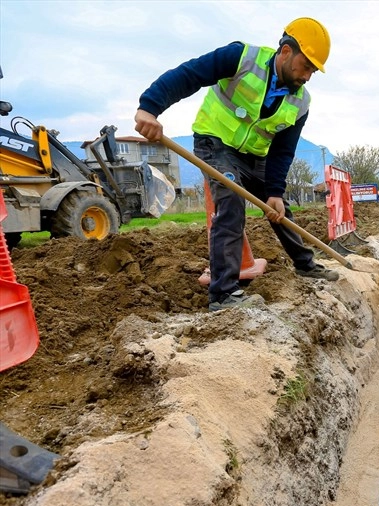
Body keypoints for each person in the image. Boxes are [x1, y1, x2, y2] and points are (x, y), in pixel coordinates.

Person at [134, 17, 339, 312]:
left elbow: (283, 150)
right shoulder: (241, 58)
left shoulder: (301, 102)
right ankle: (223, 294)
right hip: (215, 143)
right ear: (285, 52)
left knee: (279, 207)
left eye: (313, 71)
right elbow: (189, 74)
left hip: (254, 155)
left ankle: (305, 265)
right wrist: (149, 107)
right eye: (305, 66)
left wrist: (275, 191)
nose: (307, 76)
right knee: (230, 202)